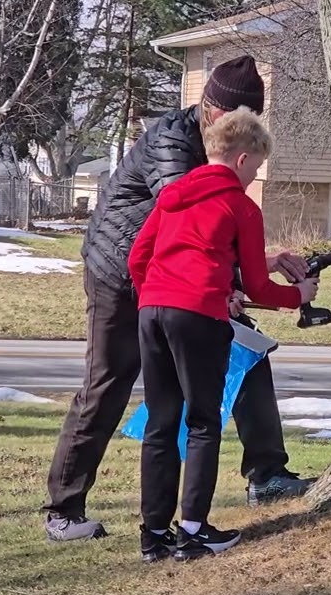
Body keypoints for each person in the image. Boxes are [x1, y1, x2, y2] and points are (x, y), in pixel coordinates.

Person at [43, 55, 315, 543]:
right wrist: (247, 274)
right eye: (238, 122)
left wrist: (261, 262)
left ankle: (266, 474)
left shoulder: (221, 156)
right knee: (109, 384)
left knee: (246, 354)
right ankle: (64, 509)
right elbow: (193, 223)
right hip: (118, 275)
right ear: (211, 109)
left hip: (175, 280)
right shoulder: (171, 140)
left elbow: (208, 235)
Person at [129, 107, 311, 562]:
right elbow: (257, 284)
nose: (255, 177)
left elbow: (138, 257)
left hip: (152, 310)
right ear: (245, 159)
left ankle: (154, 535)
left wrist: (156, 295)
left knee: (160, 422)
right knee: (203, 423)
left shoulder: (172, 197)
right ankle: (193, 530)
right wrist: (299, 296)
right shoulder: (239, 206)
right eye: (257, 167)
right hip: (198, 317)